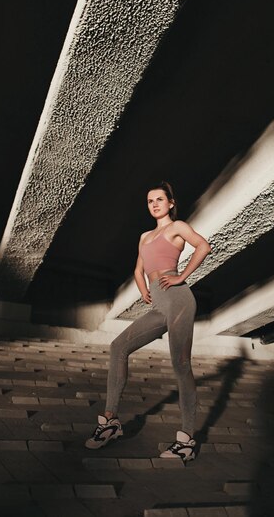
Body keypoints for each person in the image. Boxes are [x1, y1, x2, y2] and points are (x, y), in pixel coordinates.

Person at [85, 181, 211, 462]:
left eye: (159, 200)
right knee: (119, 347)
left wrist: (181, 276)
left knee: (181, 365)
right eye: (150, 201)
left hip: (178, 299)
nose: (154, 204)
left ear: (170, 203)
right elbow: (139, 267)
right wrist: (143, 288)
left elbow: (204, 246)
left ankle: (187, 441)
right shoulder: (144, 236)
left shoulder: (178, 228)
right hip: (159, 304)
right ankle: (110, 422)